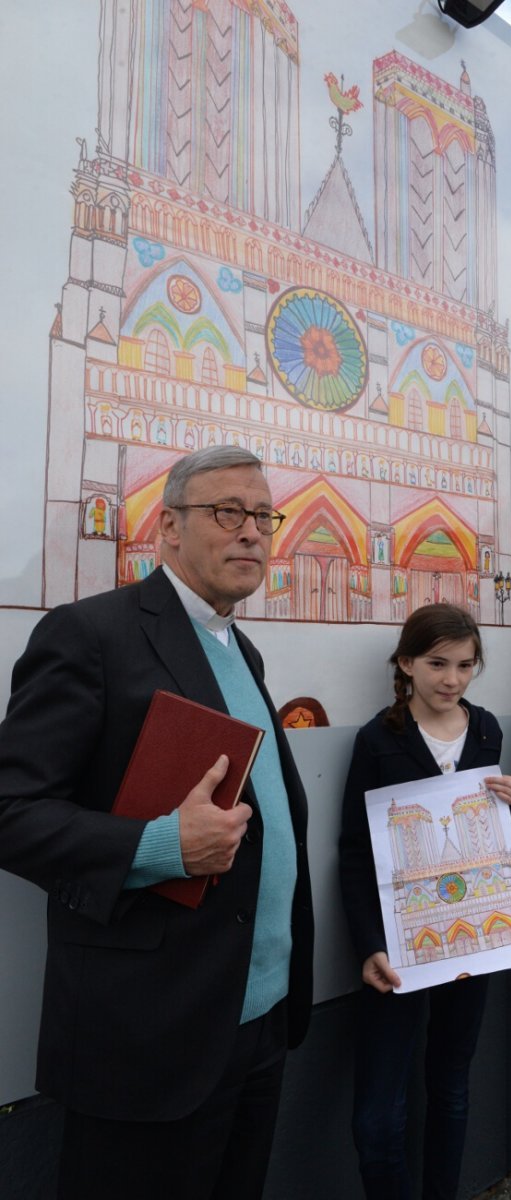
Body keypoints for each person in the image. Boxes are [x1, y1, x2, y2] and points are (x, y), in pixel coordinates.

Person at [0, 446, 313, 1200]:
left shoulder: (244, 650)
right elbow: (12, 813)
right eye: (227, 513)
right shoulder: (90, 635)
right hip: (151, 1035)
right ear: (168, 527)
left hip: (258, 1019)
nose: (251, 533)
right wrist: (161, 846)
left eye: (263, 517)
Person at [339, 602, 511, 1200]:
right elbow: (353, 850)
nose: (452, 679)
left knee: (450, 1084)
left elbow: (487, 832)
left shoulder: (489, 727)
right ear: (406, 663)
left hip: (474, 939)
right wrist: (369, 942)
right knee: (378, 1111)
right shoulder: (380, 737)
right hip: (401, 945)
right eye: (437, 663)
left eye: (466, 665)